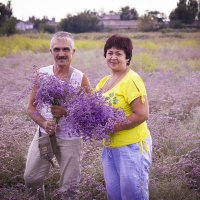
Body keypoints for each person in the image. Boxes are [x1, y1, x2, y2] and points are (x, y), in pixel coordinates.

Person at [24, 31, 91, 199]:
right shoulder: (42, 74)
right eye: (57, 49)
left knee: (69, 188)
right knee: (32, 179)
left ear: (73, 52)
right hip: (45, 135)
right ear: (51, 51)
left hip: (70, 139)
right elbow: (31, 108)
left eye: (66, 49)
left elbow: (92, 112)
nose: (61, 54)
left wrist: (66, 111)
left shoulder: (80, 78)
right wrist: (44, 123)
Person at [96, 34, 152, 200]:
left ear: (127, 57)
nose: (113, 57)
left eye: (118, 54)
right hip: (110, 148)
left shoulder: (132, 80)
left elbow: (142, 114)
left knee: (133, 196)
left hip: (132, 147)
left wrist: (112, 127)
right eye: (110, 53)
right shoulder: (104, 81)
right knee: (114, 195)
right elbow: (92, 108)